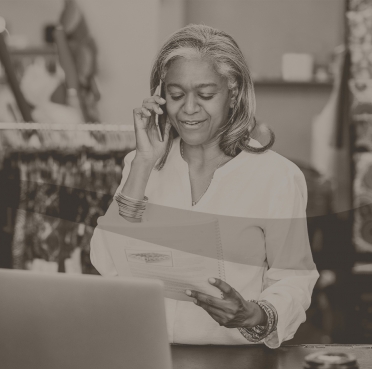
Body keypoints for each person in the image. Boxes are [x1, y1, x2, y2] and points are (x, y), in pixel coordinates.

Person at [89, 24, 319, 348]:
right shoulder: (140, 165)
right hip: (148, 353)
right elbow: (104, 261)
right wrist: (142, 163)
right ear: (160, 97)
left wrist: (254, 315)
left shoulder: (276, 177)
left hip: (234, 360)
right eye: (176, 94)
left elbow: (294, 279)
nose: (189, 109)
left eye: (206, 95)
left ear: (233, 91)